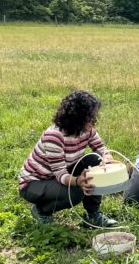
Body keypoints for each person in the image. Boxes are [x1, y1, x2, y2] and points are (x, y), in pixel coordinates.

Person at [18, 90, 118, 227]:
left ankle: (93, 215)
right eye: (90, 117)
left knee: (95, 161)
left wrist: (107, 159)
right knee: (76, 192)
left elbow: (101, 148)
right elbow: (60, 173)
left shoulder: (87, 130)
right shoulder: (54, 136)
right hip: (35, 182)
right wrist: (78, 181)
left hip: (58, 174)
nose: (94, 121)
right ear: (77, 117)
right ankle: (41, 210)